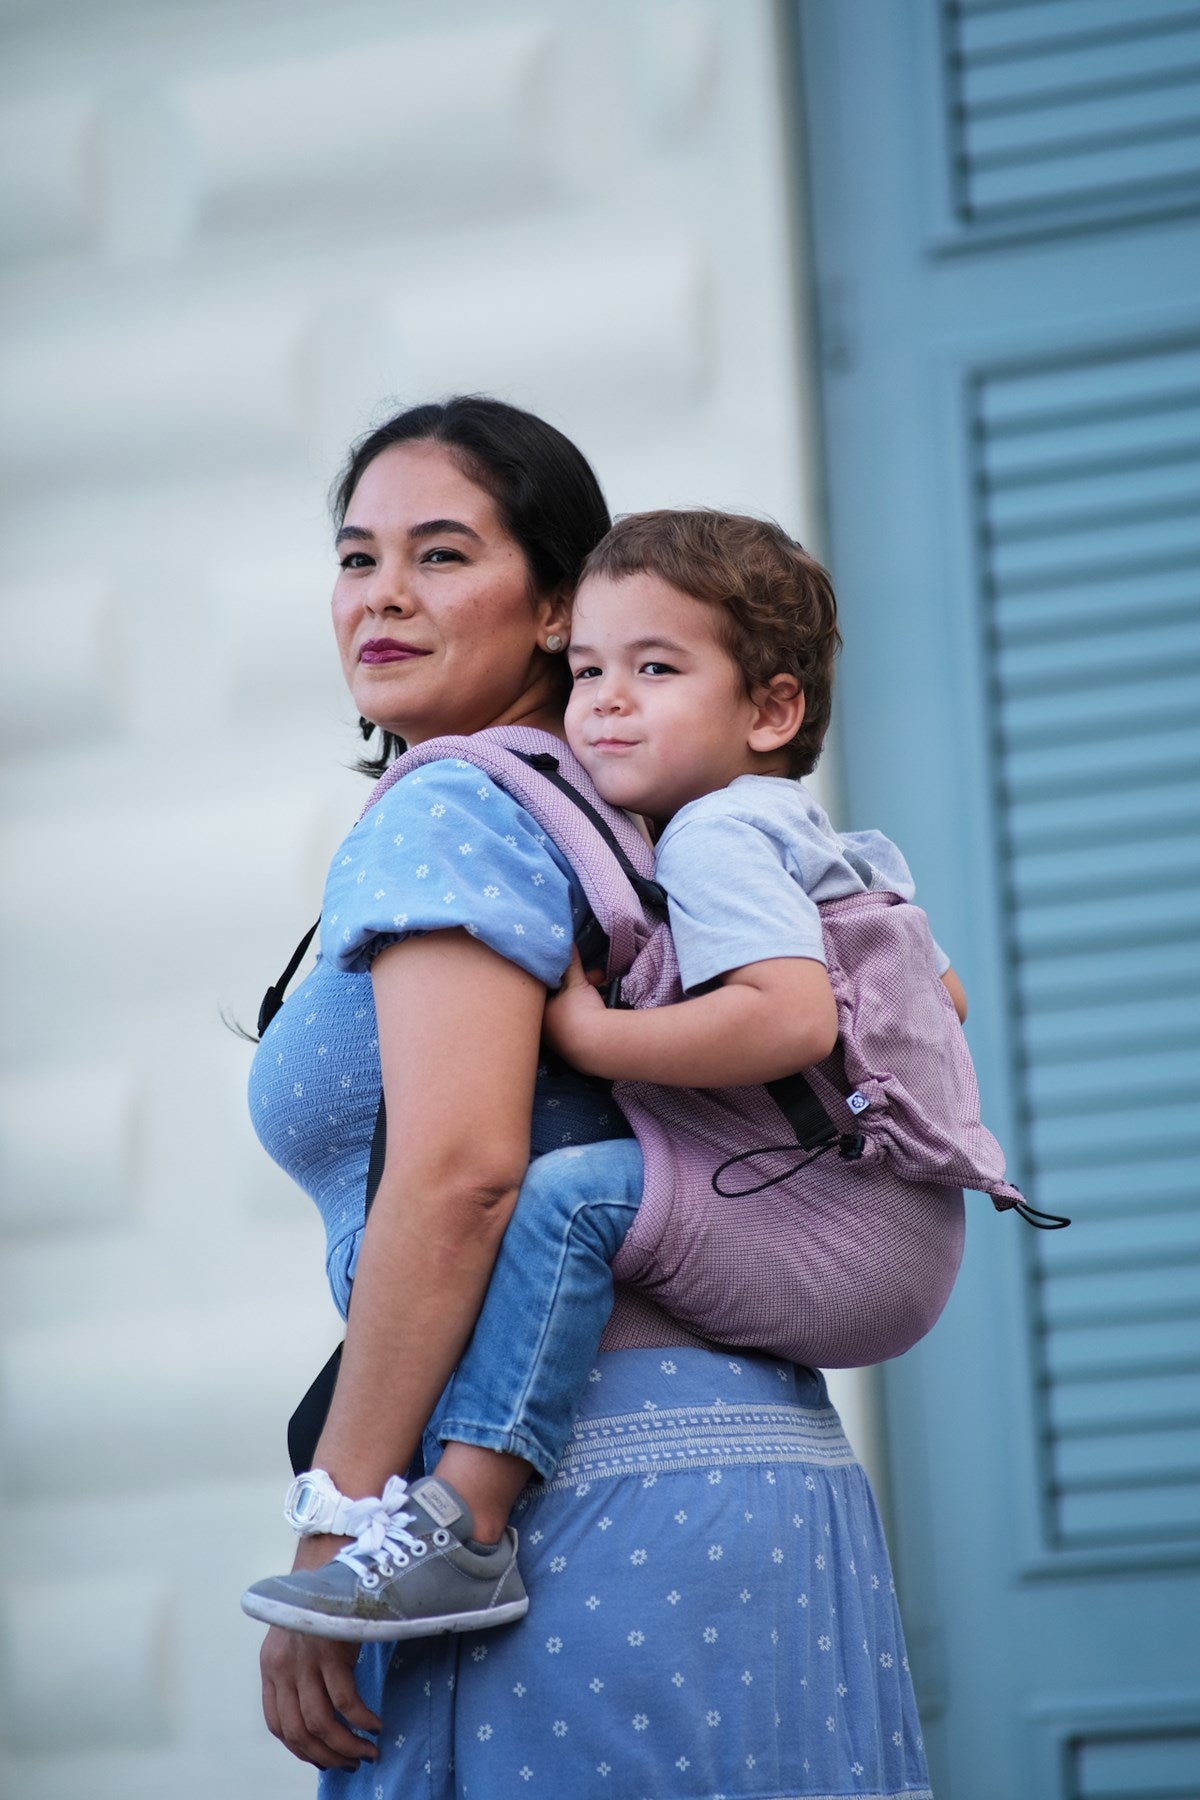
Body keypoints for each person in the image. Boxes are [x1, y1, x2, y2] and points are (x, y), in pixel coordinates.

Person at [246, 396, 933, 1798]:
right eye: (355, 555)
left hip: (562, 1500)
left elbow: (461, 1178)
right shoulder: (647, 812)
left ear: (561, 604)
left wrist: (342, 1528)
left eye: (441, 555)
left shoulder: (454, 811)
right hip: (760, 1468)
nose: (382, 595)